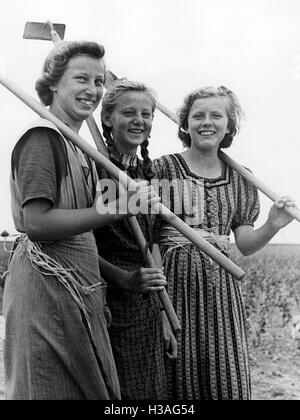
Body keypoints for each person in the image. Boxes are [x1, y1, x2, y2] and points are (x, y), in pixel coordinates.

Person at [3, 41, 159, 400]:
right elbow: (38, 224)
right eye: (81, 79)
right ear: (54, 83)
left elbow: (79, 240)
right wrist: (119, 208)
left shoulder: (80, 148)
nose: (92, 90)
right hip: (44, 289)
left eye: (99, 81)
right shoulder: (43, 138)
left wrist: (123, 277)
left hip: (76, 286)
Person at [153, 85, 296, 400]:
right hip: (174, 287)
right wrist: (161, 308)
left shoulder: (242, 178)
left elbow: (244, 244)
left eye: (216, 115)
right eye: (198, 115)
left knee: (225, 378)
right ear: (185, 123)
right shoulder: (163, 169)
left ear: (230, 125)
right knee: (178, 378)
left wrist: (272, 223)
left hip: (221, 292)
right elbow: (150, 240)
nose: (207, 122)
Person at [94, 80, 177, 400]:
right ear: (107, 119)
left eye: (146, 113)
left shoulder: (152, 175)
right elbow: (80, 242)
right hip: (103, 296)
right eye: (128, 112)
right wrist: (124, 279)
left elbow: (153, 245)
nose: (139, 120)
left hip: (145, 303)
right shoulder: (93, 168)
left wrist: (164, 315)